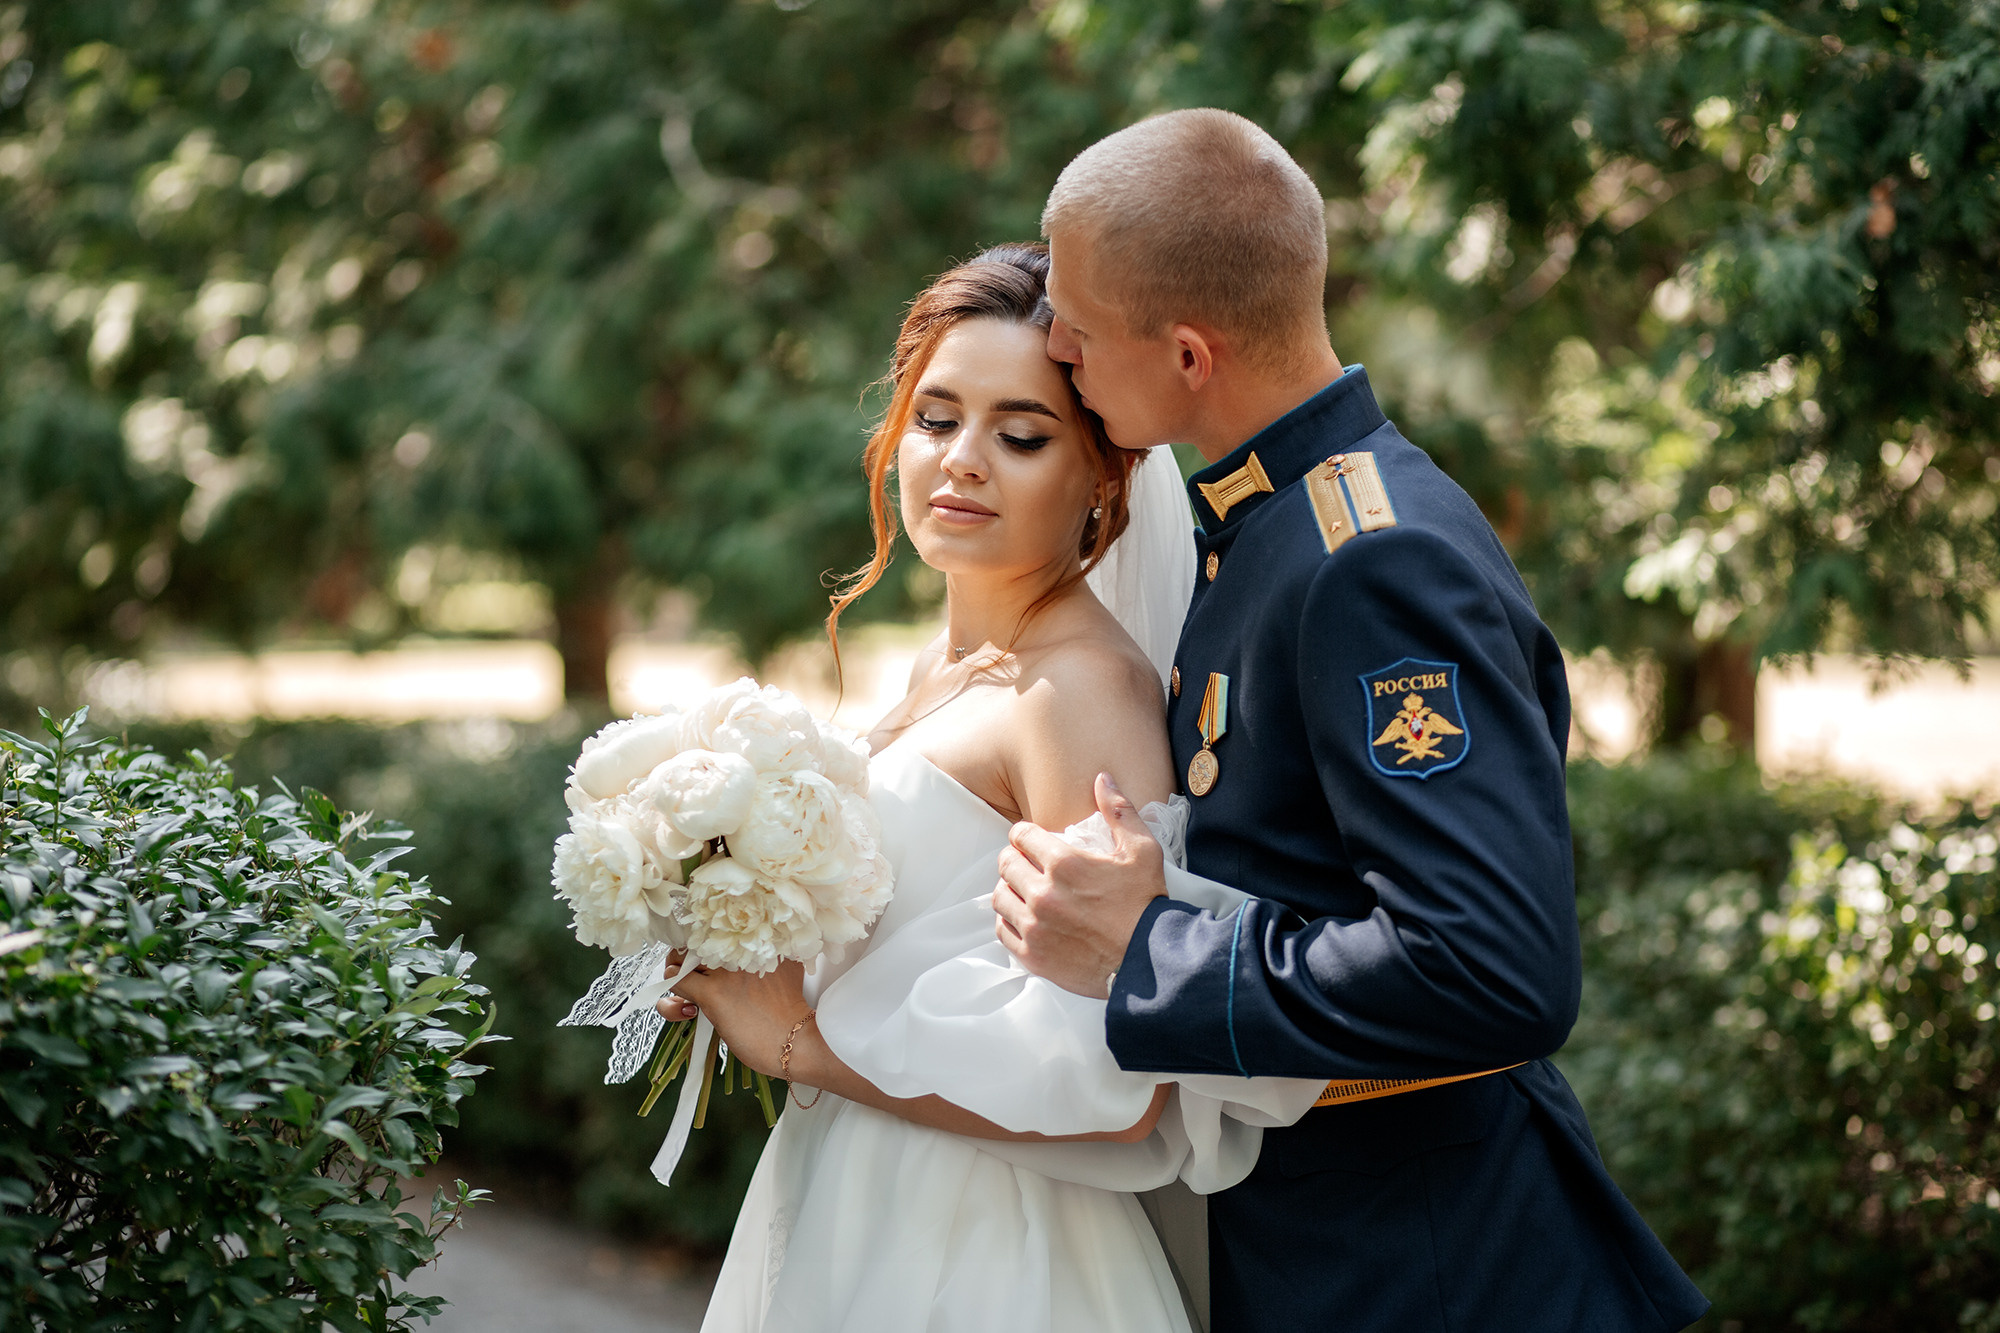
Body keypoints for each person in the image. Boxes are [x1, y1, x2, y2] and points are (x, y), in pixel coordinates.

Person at [990, 109, 1712, 1332]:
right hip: (1326, 1240)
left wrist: (1151, 951)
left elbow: (1490, 966)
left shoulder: (1370, 561)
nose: (1054, 343)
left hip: (1431, 1264)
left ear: (1186, 355)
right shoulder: (1265, 527)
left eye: (1078, 321)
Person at [665, 243, 1322, 1333]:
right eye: (934, 419)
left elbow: (1117, 1088)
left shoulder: (1079, 693)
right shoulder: (936, 669)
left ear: (1102, 474)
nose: (962, 459)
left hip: (987, 1250)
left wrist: (795, 1043)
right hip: (853, 1197)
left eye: (1019, 435)